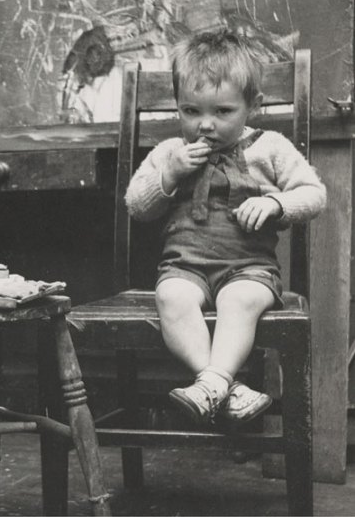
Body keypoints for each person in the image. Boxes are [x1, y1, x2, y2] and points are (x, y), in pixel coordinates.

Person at [124, 30, 325, 425]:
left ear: (253, 105)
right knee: (171, 298)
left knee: (239, 301)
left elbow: (315, 195)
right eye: (191, 111)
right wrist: (170, 174)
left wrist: (275, 202)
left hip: (249, 269)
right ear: (177, 106)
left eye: (222, 112)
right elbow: (136, 205)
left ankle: (210, 384)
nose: (205, 125)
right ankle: (222, 386)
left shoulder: (270, 147)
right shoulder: (170, 152)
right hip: (185, 267)